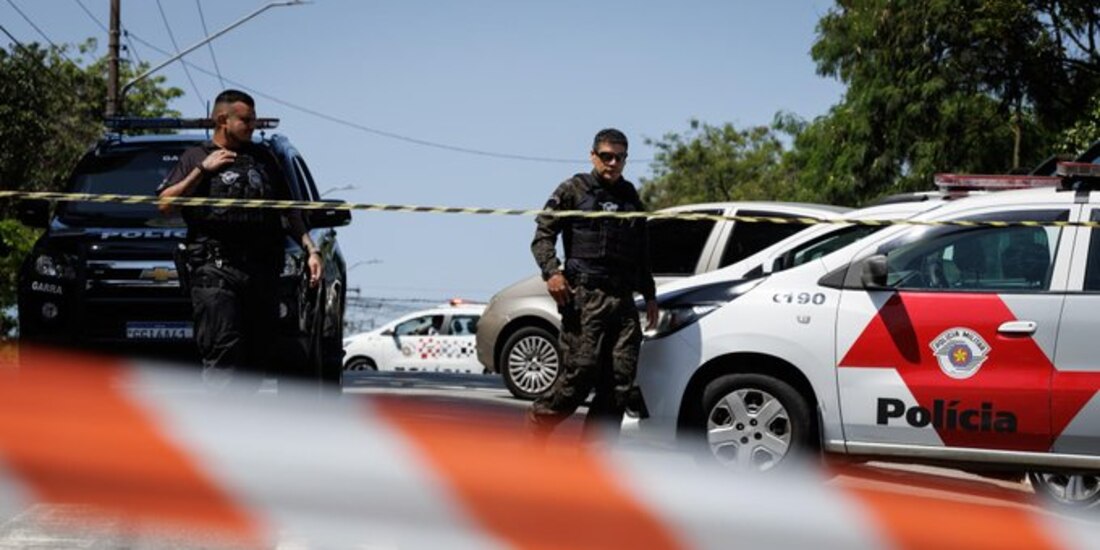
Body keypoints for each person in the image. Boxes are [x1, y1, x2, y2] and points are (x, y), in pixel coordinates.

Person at [157, 89, 321, 391]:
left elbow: (289, 210)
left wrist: (311, 249)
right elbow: (165, 205)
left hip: (261, 271)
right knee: (224, 352)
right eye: (246, 120)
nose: (253, 126)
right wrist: (202, 171)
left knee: (256, 358)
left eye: (254, 120)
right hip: (215, 269)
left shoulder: (265, 158)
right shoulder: (196, 156)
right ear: (222, 119)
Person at [528, 128, 659, 440]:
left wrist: (650, 294)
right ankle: (539, 422)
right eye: (606, 156)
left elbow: (641, 253)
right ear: (593, 156)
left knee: (620, 381)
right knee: (580, 373)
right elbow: (542, 235)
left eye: (620, 157)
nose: (612, 163)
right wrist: (552, 273)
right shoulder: (574, 190)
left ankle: (594, 456)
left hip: (623, 300)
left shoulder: (630, 197)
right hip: (585, 297)